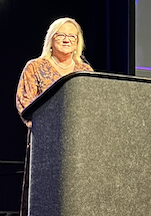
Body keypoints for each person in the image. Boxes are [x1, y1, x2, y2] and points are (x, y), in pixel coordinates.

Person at [15, 17, 93, 216]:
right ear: (51, 39)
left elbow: (95, 105)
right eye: (61, 35)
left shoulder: (85, 71)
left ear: (78, 43)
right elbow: (25, 103)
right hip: (45, 145)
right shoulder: (34, 67)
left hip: (79, 148)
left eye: (72, 36)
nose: (67, 40)